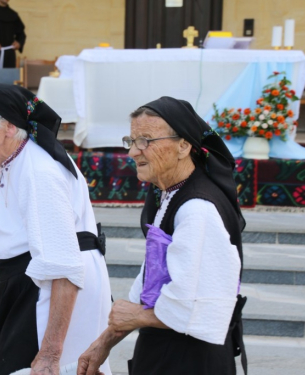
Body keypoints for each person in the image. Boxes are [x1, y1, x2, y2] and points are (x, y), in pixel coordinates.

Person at [77, 96, 247, 375]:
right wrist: (103, 343)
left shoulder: (197, 210)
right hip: (168, 354)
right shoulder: (171, 195)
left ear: (183, 145)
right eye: (131, 140)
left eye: (145, 140)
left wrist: (134, 316)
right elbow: (153, 282)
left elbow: (203, 307)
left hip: (192, 361)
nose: (133, 151)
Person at [0, 84, 112, 375]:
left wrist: (49, 354)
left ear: (8, 126)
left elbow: (64, 266)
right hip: (30, 285)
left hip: (46, 292)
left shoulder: (39, 171)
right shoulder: (18, 159)